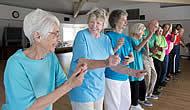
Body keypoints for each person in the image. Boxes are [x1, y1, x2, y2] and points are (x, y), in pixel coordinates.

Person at [2, 9, 87, 110]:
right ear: (37, 36)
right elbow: (29, 107)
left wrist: (75, 75)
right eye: (55, 34)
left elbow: (62, 84)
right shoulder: (15, 64)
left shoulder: (51, 57)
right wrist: (69, 85)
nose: (58, 39)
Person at [68, 8, 145, 110]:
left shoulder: (105, 39)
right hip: (82, 86)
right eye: (91, 22)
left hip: (98, 87)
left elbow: (113, 65)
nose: (94, 26)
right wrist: (106, 62)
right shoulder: (82, 35)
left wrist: (133, 72)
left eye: (98, 23)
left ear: (103, 24)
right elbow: (82, 62)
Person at [104, 9, 134, 110]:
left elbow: (132, 56)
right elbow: (104, 57)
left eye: (126, 19)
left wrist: (130, 60)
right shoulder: (107, 37)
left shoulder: (127, 38)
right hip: (112, 76)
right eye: (123, 19)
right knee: (112, 105)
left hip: (125, 75)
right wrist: (116, 47)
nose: (126, 22)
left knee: (126, 103)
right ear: (115, 21)